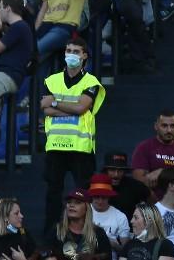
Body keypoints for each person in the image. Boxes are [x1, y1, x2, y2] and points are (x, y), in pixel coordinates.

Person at [42, 37, 105, 230]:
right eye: (68, 50)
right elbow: (46, 110)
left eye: (76, 51)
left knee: (82, 194)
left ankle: (83, 232)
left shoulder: (91, 82)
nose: (71, 55)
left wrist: (55, 103)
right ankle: (52, 233)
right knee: (53, 193)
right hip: (55, 146)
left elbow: (81, 108)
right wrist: (72, 107)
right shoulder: (52, 80)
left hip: (81, 148)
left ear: (84, 55)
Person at [47, 189, 111, 260]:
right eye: (69, 202)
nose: (71, 205)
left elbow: (107, 257)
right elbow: (47, 254)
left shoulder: (98, 233)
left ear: (87, 208)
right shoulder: (57, 231)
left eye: (77, 202)